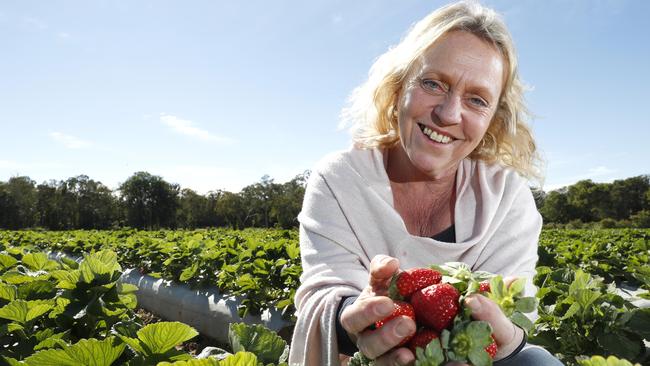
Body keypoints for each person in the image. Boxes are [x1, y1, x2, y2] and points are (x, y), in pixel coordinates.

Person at [288, 1, 563, 365]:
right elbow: (327, 291)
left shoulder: (506, 198)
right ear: (399, 85)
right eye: (433, 84)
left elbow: (509, 317)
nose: (448, 114)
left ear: (494, 119)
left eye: (477, 100)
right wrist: (362, 317)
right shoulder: (340, 179)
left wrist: (503, 335)